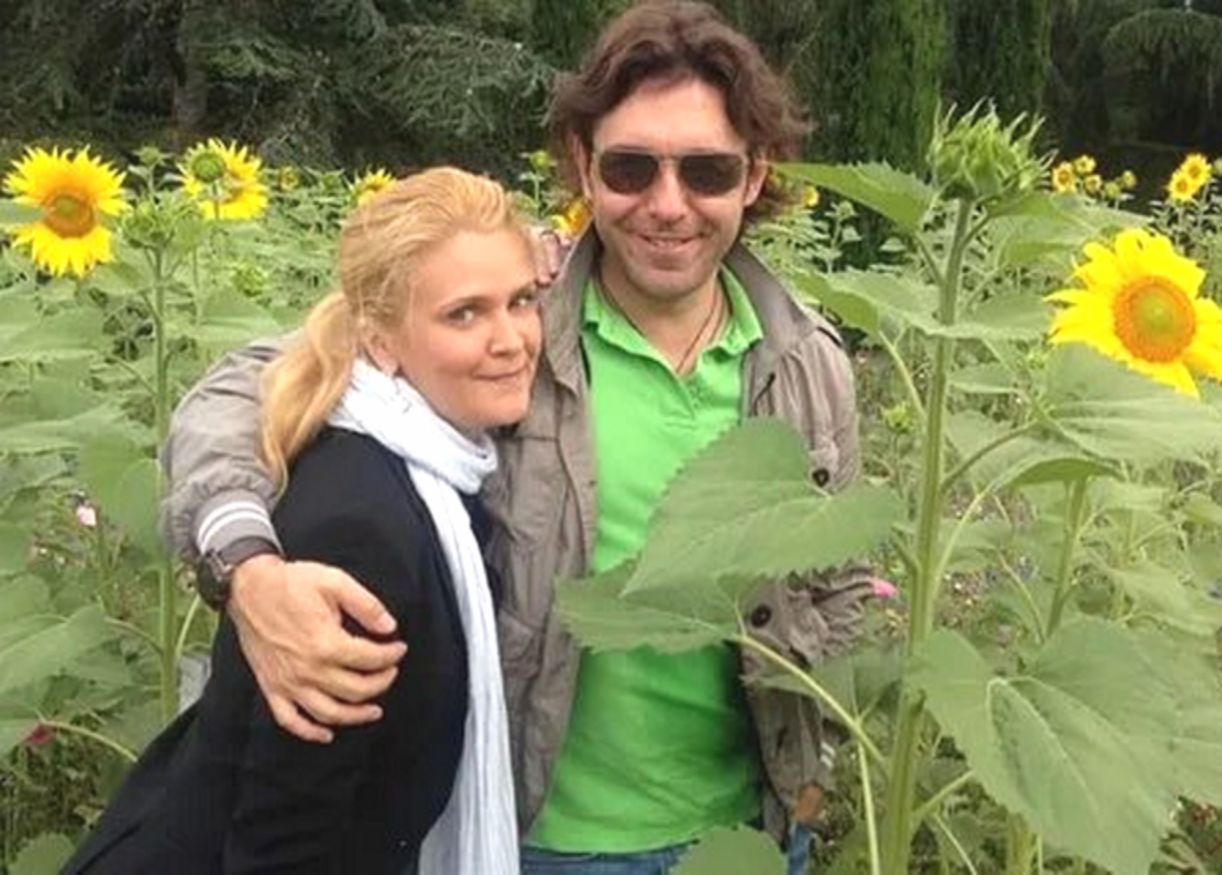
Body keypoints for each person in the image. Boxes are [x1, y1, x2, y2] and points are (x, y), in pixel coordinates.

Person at [160, 3, 871, 873]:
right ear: (582, 164)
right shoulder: (514, 326)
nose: (667, 204)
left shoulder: (805, 361)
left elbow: (835, 576)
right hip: (539, 836)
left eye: (708, 171)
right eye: (631, 167)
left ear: (754, 175)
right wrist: (247, 568)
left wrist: (815, 754)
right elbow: (249, 387)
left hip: (749, 836)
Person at [66, 168, 536, 875]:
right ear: (379, 341)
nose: (511, 339)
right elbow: (285, 836)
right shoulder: (360, 530)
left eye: (521, 301)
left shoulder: (440, 466)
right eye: (464, 314)